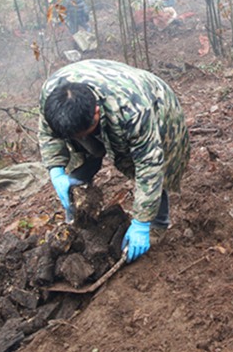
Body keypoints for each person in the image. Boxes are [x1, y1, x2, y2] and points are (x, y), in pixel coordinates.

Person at [38, 59, 191, 263]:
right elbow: (48, 133)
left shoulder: (133, 111)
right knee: (79, 154)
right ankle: (80, 212)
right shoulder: (52, 95)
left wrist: (141, 222)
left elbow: (149, 166)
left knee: (154, 169)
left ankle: (158, 224)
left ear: (96, 115)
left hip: (155, 102)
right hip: (94, 107)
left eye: (85, 133)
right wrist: (56, 170)